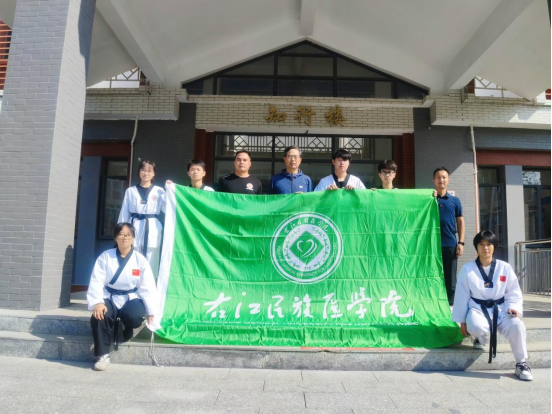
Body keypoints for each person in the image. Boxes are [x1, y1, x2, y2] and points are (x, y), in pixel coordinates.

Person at [452, 231, 532, 381]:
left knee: (517, 325)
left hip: (501, 309)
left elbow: (513, 291)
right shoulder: (468, 269)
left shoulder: (504, 267)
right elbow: (462, 296)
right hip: (478, 309)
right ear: (476, 247)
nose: (485, 248)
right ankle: (480, 339)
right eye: (481, 244)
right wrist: (462, 320)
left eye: (489, 244)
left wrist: (514, 307)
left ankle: (521, 363)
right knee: (476, 327)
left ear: (494, 246)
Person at [87, 223, 158, 371]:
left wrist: (151, 311)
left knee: (136, 316)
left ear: (133, 238)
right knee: (99, 316)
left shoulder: (140, 260)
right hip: (109, 296)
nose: (124, 237)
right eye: (121, 234)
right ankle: (102, 355)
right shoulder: (106, 257)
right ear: (115, 237)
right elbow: (96, 280)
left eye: (128, 235)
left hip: (131, 296)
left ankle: (126, 327)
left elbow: (147, 286)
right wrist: (98, 302)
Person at [118, 160, 165, 277]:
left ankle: (150, 284)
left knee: (152, 256)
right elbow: (124, 213)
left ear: (154, 173)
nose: (146, 173)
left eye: (149, 171)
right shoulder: (130, 191)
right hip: (134, 226)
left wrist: (171, 191)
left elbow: (169, 210)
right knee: (133, 256)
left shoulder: (159, 191)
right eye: (143, 170)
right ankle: (133, 283)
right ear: (139, 172)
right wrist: (120, 232)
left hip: (152, 226)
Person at [433, 166, 464, 305]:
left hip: (450, 244)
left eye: (444, 177)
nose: (441, 180)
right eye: (438, 177)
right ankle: (434, 302)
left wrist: (461, 242)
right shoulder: (428, 199)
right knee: (433, 275)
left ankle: (450, 305)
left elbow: (460, 221)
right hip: (431, 245)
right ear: (434, 180)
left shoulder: (455, 200)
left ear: (448, 180)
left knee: (450, 277)